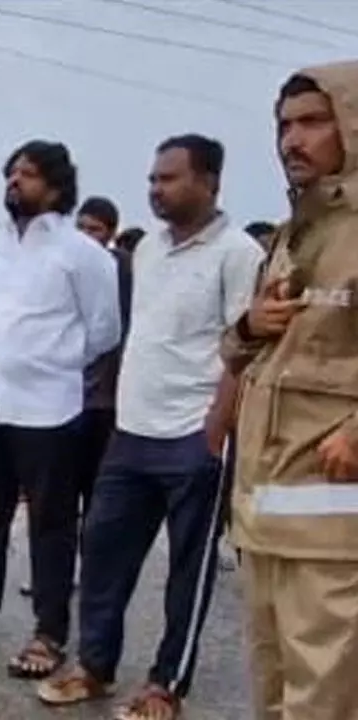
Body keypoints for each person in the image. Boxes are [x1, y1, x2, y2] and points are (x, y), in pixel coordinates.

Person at [37, 134, 265, 720]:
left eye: (168, 179)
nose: (154, 190)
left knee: (189, 570)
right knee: (105, 552)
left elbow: (248, 347)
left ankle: (166, 685)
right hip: (132, 434)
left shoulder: (239, 254)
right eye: (152, 180)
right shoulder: (147, 252)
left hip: (196, 436)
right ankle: (94, 666)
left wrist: (218, 430)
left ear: (209, 181)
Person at [0, 141, 121, 683]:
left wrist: (48, 361)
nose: (16, 181)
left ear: (56, 187)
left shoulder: (84, 253)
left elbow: (104, 330)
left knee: (50, 522)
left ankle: (49, 632)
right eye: (12, 172)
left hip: (49, 407)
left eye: (29, 174)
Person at [223, 63, 358, 720]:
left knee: (326, 698)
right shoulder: (289, 235)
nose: (291, 140)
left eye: (312, 121)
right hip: (265, 513)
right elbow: (239, 350)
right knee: (272, 691)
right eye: (284, 125)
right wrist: (250, 325)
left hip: (335, 523)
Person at [74, 196, 133, 528]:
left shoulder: (123, 269)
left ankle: (94, 569)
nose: (85, 235)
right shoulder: (64, 266)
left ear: (110, 233)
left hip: (107, 398)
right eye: (80, 227)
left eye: (93, 229)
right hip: (66, 397)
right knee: (61, 492)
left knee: (99, 490)